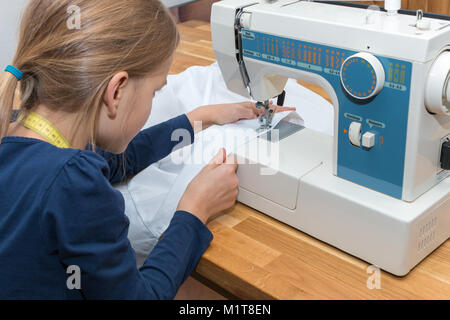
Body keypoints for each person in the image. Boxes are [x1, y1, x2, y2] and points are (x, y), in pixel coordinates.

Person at [0, 0, 293, 299]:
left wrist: (198, 118)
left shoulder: (20, 136)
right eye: (155, 91)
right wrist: (193, 209)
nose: (155, 98)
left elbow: (111, 163)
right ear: (116, 92)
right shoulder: (75, 186)